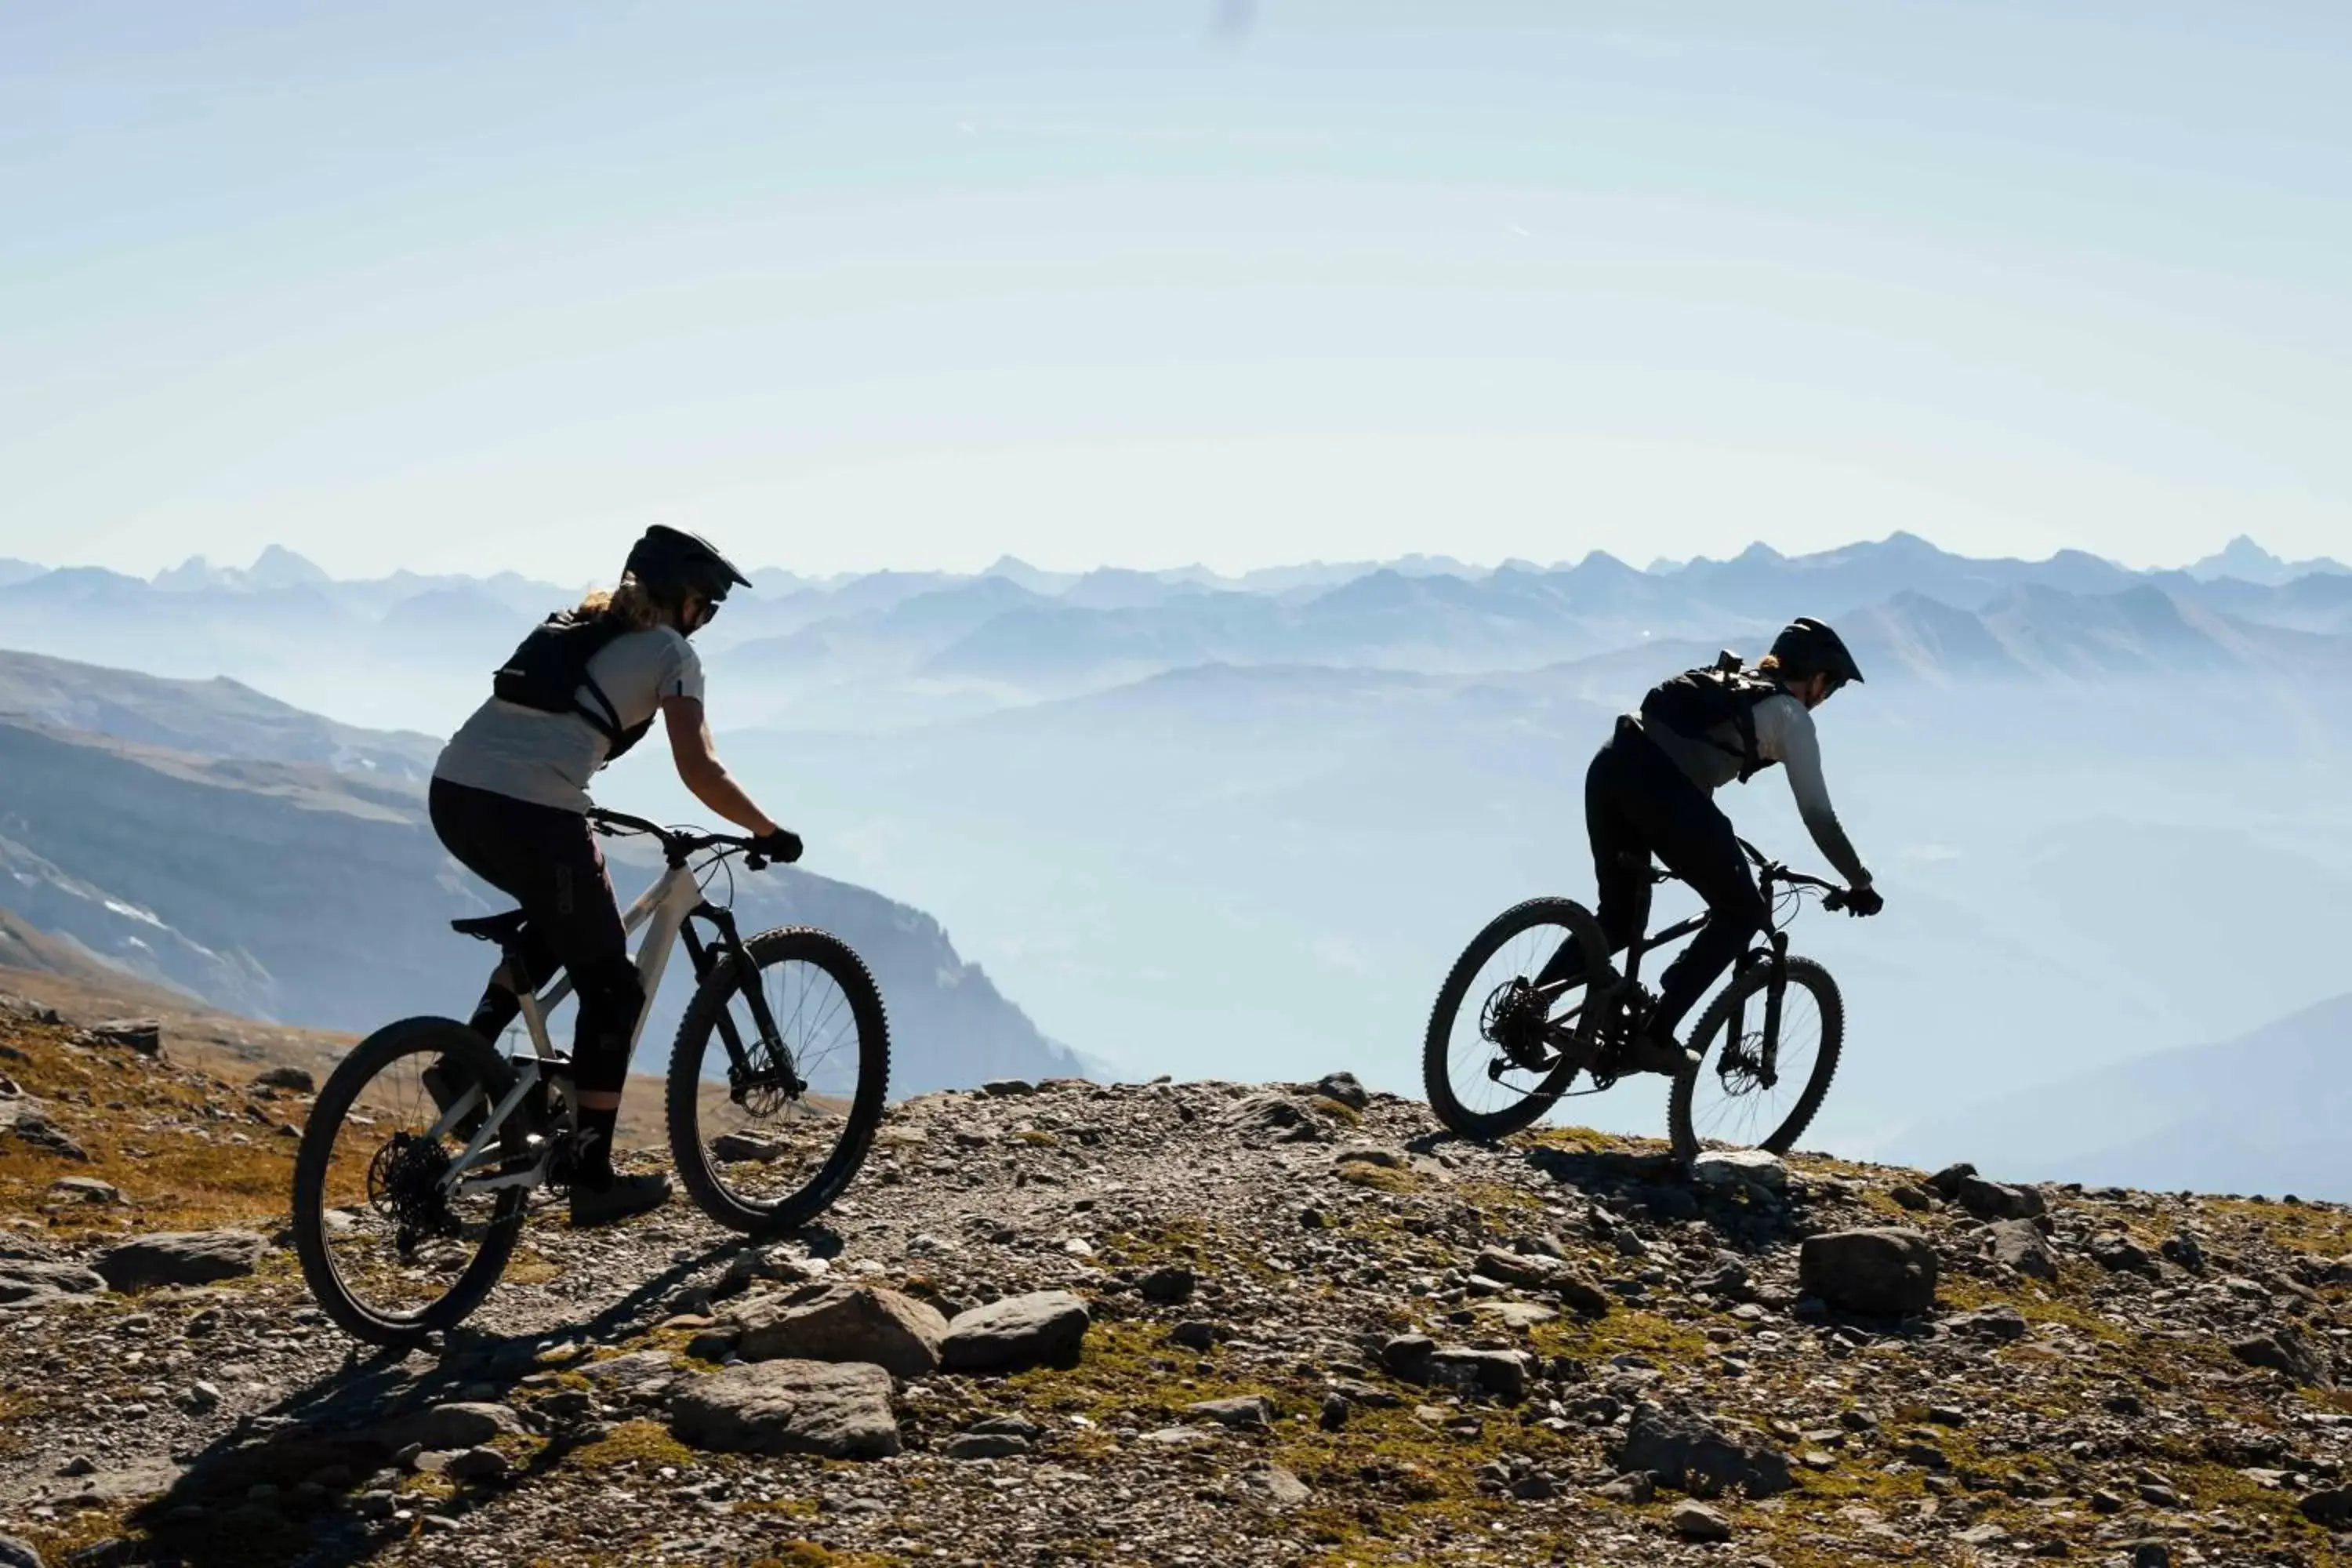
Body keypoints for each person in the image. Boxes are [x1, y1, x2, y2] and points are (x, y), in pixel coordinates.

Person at [426, 525, 801, 1225]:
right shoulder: (672, 654)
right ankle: (592, 1178)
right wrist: (767, 830)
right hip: (530, 810)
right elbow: (701, 770)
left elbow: (530, 730)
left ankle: (466, 1060)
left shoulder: (574, 623)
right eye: (707, 607)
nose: (708, 622)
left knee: (558, 914)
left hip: (452, 795)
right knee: (614, 988)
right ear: (684, 603)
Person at [1545, 617, 1882, 1075]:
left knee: (1619, 917)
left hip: (1611, 762)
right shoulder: (1791, 716)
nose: (1826, 699)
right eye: (1832, 688)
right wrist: (1858, 881)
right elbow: (1820, 817)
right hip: (1663, 790)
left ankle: (1527, 1006)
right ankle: (1655, 1035)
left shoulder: (1732, 680)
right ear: (1819, 678)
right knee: (1742, 911)